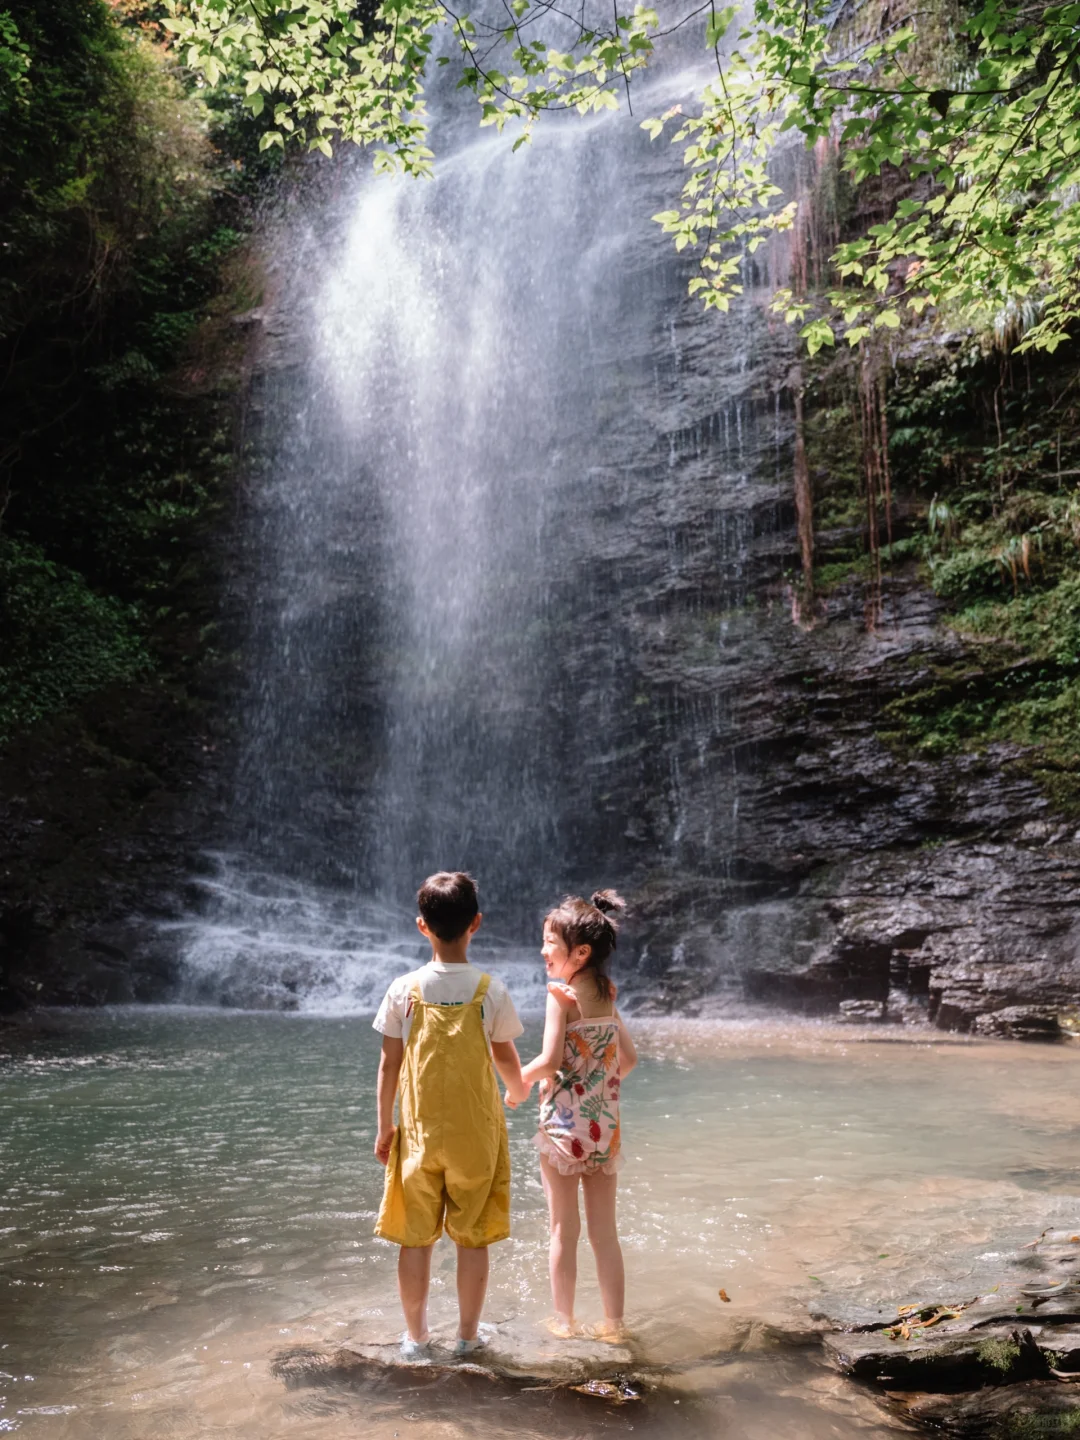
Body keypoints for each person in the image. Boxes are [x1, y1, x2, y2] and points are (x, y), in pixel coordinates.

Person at [373, 871, 528, 1359]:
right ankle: (467, 1337)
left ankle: (416, 1339)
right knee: (473, 1238)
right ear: (475, 923)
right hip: (474, 1138)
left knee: (415, 1240)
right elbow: (505, 1057)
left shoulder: (404, 990)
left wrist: (385, 1127)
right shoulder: (490, 991)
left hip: (418, 1137)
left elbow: (389, 1064)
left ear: (423, 926)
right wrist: (519, 1091)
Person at [519, 889, 637, 1341]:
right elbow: (627, 1061)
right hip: (604, 1129)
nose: (543, 949)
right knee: (605, 1235)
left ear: (579, 952)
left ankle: (564, 1325)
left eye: (550, 941)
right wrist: (597, 1083)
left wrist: (519, 1083)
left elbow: (549, 1062)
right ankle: (615, 1325)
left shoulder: (560, 997)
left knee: (562, 1232)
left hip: (564, 1130)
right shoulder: (608, 993)